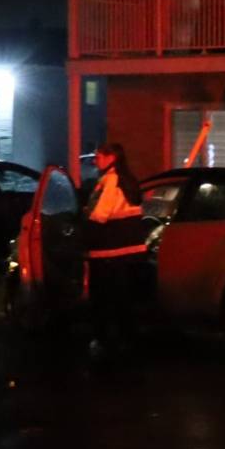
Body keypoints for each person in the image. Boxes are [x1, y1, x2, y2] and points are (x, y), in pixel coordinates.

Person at [82, 139, 151, 346]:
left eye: (99, 156)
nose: (95, 161)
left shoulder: (110, 180)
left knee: (103, 298)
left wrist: (84, 220)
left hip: (108, 251)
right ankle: (129, 340)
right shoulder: (129, 179)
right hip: (131, 250)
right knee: (124, 299)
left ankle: (103, 341)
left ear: (112, 158)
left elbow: (100, 214)